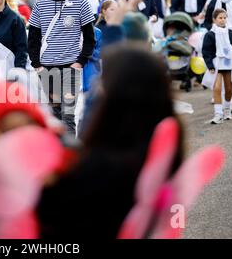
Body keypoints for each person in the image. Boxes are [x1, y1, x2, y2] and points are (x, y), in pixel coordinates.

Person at [36, 47, 184, 239]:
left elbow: (51, 218)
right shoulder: (165, 156)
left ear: (118, 94)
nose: (95, 85)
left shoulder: (102, 166)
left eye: (102, 81)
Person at [28, 0, 96, 136]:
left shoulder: (80, 2)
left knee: (68, 115)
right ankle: (56, 155)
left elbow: (90, 37)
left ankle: (71, 156)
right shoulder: (40, 4)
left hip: (70, 67)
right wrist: (37, 65)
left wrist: (80, 62)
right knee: (54, 115)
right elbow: (33, 38)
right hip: (47, 68)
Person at [202, 9, 232, 124]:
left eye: (224, 18)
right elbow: (206, 52)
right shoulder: (210, 35)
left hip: (229, 64)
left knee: (229, 88)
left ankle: (226, 109)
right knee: (217, 88)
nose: (223, 20)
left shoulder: (231, 33)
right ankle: (218, 114)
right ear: (214, 20)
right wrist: (210, 65)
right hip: (216, 64)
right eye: (220, 18)